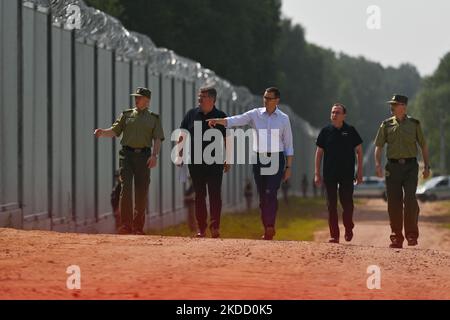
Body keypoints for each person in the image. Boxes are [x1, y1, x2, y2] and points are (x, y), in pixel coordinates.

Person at [207, 87, 294, 241]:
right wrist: (218, 121)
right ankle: (266, 226)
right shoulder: (255, 114)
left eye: (269, 98)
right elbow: (236, 120)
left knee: (270, 192)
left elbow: (288, 145)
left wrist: (288, 167)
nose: (266, 100)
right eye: (265, 97)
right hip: (259, 159)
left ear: (277, 100)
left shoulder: (283, 118)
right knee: (262, 196)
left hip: (276, 158)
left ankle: (270, 226)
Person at [94, 87, 165, 235]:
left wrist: (154, 156)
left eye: (139, 97)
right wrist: (102, 133)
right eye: (135, 97)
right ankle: (126, 225)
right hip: (126, 155)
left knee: (141, 191)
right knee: (125, 189)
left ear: (147, 101)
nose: (136, 99)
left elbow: (157, 139)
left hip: (144, 156)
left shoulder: (154, 118)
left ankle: (138, 227)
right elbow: (115, 131)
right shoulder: (126, 115)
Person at [374, 94, 430, 249]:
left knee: (410, 199)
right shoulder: (385, 125)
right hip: (392, 169)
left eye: (395, 104)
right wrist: (377, 164)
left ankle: (411, 235)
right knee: (394, 203)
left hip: (411, 168)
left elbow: (423, 146)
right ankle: (396, 237)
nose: (391, 106)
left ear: (403, 107)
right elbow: (378, 146)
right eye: (392, 104)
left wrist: (426, 166)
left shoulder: (414, 124)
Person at [179, 87, 230, 239]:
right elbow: (182, 134)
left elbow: (228, 138)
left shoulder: (220, 116)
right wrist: (179, 154)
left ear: (212, 99)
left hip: (215, 162)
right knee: (199, 196)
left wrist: (229, 158)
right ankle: (201, 228)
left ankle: (215, 227)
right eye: (199, 96)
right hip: (195, 162)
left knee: (215, 195)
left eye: (203, 96)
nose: (199, 99)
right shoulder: (191, 114)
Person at [315, 103, 363, 244]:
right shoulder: (325, 131)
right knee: (331, 205)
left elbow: (359, 151)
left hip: (347, 174)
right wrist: (317, 173)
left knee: (347, 204)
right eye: (333, 112)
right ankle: (334, 235)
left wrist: (360, 172)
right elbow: (319, 154)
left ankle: (348, 227)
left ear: (344, 115)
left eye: (337, 112)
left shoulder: (350, 130)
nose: (334, 114)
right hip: (329, 174)